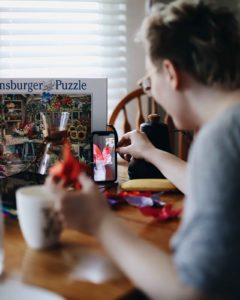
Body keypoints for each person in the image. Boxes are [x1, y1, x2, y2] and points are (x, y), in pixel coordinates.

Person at [46, 1, 240, 299]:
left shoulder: (220, 139)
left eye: (149, 80)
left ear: (170, 73)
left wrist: (100, 223)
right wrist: (150, 152)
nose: (151, 90)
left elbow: (191, 292)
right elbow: (215, 185)